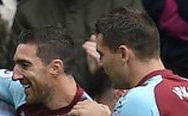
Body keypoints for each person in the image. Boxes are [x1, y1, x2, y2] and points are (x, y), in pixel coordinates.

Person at [8, 0, 144, 89]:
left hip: (114, 108)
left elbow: (143, 61)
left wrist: (108, 61)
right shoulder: (29, 12)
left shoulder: (123, 4)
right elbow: (18, 75)